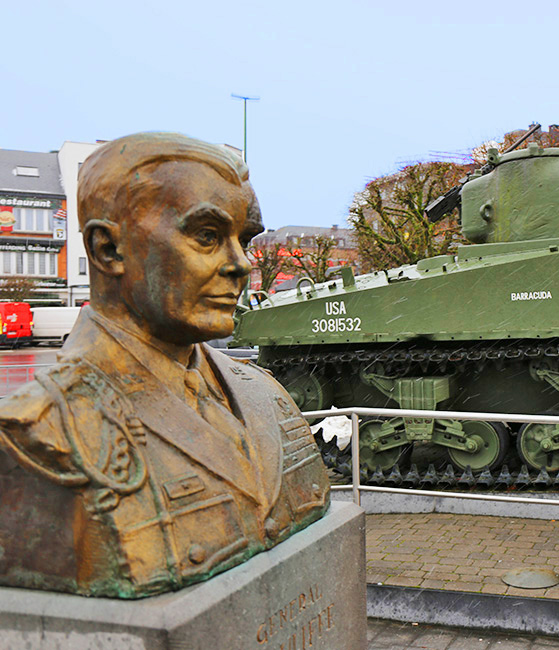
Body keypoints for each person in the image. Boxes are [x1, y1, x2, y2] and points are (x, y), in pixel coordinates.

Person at [0, 133, 329, 598]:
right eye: (208, 236)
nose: (241, 265)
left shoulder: (265, 394)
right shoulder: (40, 430)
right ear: (107, 249)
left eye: (245, 239)